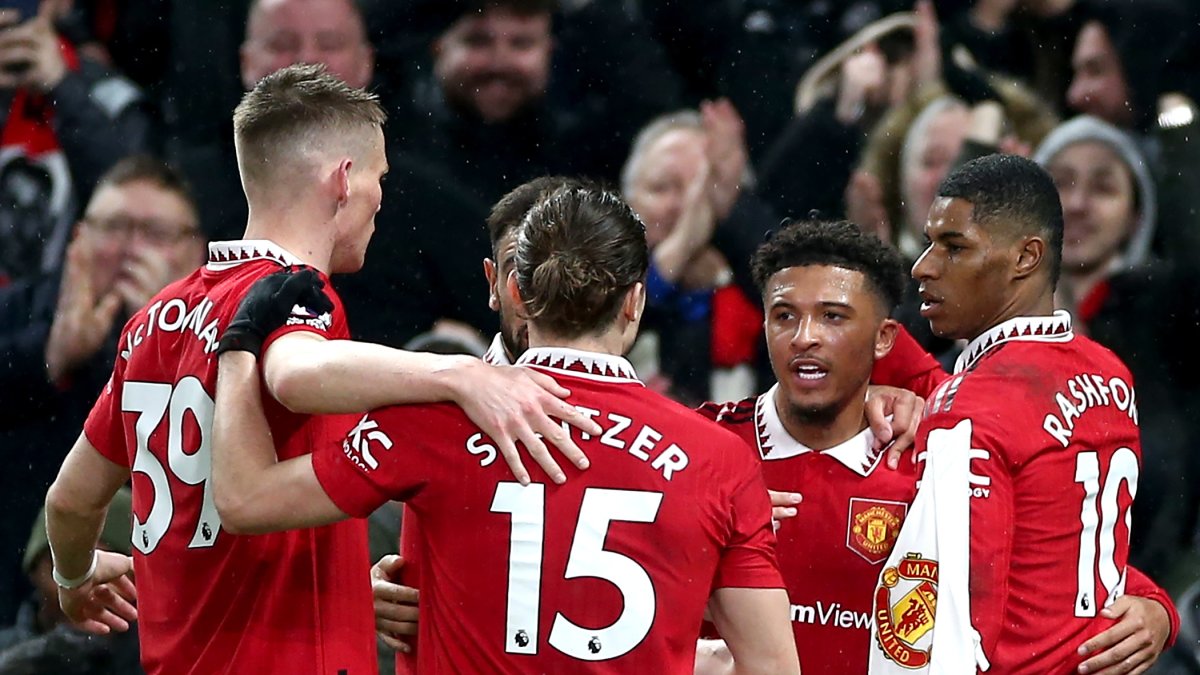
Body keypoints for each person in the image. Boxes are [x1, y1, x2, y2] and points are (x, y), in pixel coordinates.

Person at [43, 64, 598, 674]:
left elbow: (69, 503)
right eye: (380, 178)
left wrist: (76, 576)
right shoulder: (291, 296)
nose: (382, 200)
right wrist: (459, 375)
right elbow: (296, 374)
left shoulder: (152, 319)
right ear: (344, 179)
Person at [210, 185, 800, 674]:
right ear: (634, 303)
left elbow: (244, 500)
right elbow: (771, 669)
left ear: (513, 289)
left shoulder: (431, 422)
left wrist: (240, 348)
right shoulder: (717, 458)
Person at [693, 219, 1176, 675]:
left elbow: (1049, 547)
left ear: (885, 339)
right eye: (784, 316)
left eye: (833, 317)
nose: (805, 338)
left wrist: (1153, 605)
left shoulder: (934, 454)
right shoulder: (699, 451)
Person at [868, 154, 1170, 673]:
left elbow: (951, 616)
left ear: (1026, 258)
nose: (924, 266)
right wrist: (1160, 608)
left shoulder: (972, 408)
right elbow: (1065, 541)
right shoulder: (1108, 373)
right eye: (928, 244)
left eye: (954, 247)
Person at [0, 154, 202, 623]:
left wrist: (168, 337)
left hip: (169, 598)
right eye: (113, 228)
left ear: (198, 253)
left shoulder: (223, 335)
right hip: (17, 592)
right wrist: (48, 357)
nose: (131, 250)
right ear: (77, 240)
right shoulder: (19, 310)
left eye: (156, 235)